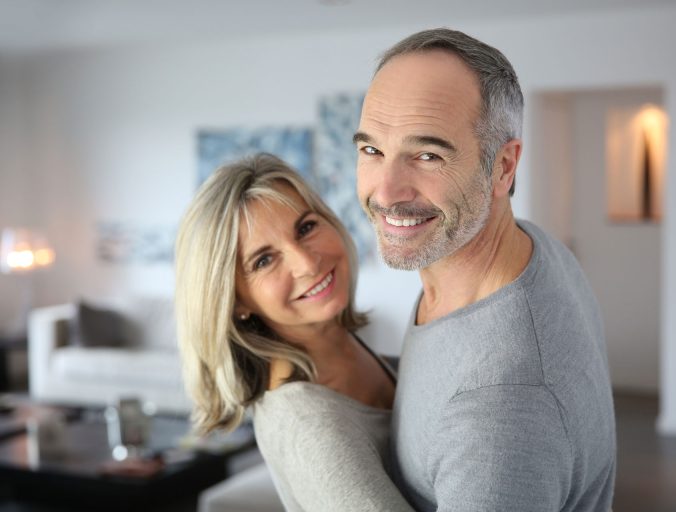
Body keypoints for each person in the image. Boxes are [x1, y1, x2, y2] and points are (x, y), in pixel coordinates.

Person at [354, 28, 616, 511]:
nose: (386, 191)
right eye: (372, 150)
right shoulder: (532, 247)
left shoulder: (502, 411)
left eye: (427, 155)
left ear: (503, 167)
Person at [175, 154, 414, 512]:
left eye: (305, 228)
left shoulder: (343, 346)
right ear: (235, 301)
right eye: (264, 260)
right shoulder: (306, 422)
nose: (306, 263)